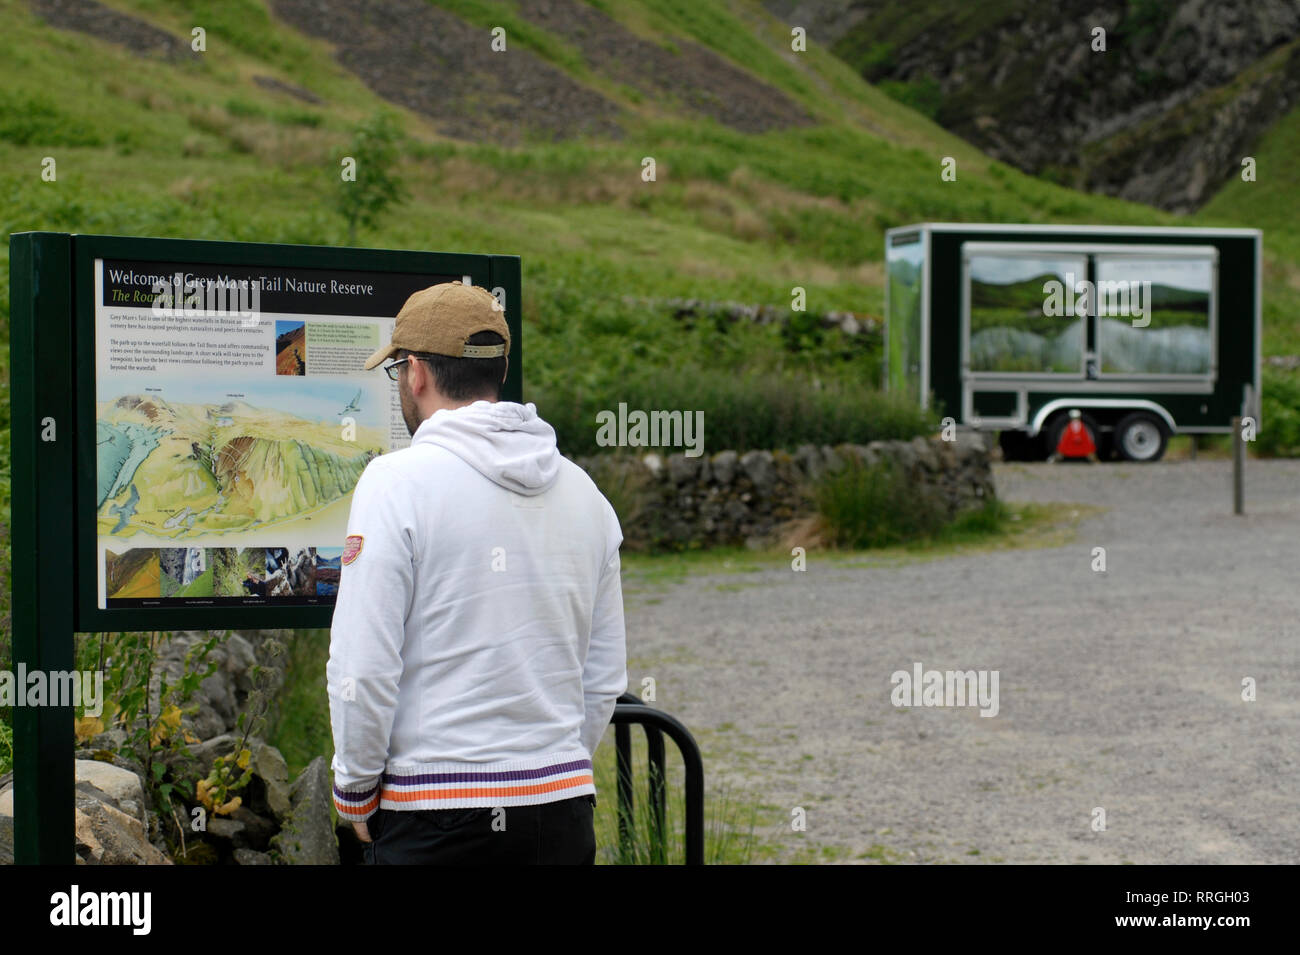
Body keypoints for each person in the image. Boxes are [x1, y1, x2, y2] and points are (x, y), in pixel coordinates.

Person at [326, 281, 627, 865]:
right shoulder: (586, 495)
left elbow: (363, 669)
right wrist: (554, 764)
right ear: (498, 371)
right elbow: (602, 676)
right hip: (560, 814)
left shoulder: (395, 484)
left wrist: (355, 792)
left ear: (414, 373)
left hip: (434, 813)